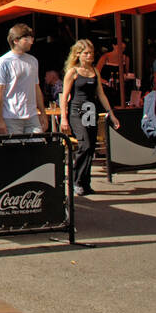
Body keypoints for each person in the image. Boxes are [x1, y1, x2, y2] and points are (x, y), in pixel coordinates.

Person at [60, 39, 120, 197]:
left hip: (90, 110)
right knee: (84, 144)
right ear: (78, 54)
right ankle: (76, 181)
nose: (89, 56)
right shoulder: (73, 71)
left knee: (91, 146)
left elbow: (101, 94)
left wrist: (111, 114)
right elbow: (64, 95)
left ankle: (85, 183)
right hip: (76, 110)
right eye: (86, 53)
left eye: (91, 53)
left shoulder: (95, 71)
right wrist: (64, 118)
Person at [0, 24, 46, 135]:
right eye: (27, 39)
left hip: (32, 115)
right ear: (16, 40)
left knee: (38, 148)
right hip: (11, 116)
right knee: (15, 150)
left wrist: (43, 113)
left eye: (31, 38)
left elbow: (36, 88)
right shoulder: (3, 62)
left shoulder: (33, 61)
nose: (31, 41)